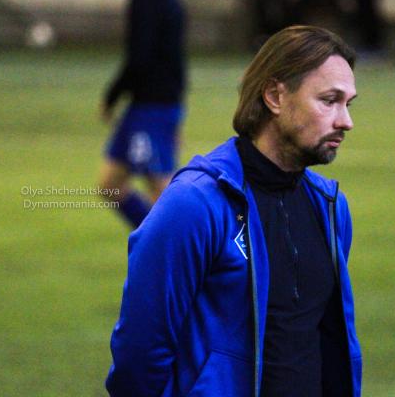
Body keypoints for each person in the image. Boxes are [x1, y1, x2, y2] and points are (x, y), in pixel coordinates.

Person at [105, 25, 362, 397]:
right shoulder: (194, 204)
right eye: (329, 100)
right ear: (274, 96)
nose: (345, 121)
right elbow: (138, 352)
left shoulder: (331, 207)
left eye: (348, 104)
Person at [98, 0, 186, 228]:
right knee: (110, 186)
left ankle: (181, 244)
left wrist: (112, 95)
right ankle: (153, 239)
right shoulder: (170, 3)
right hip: (147, 106)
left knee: (161, 188)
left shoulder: (147, 2)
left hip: (153, 107)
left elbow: (139, 57)